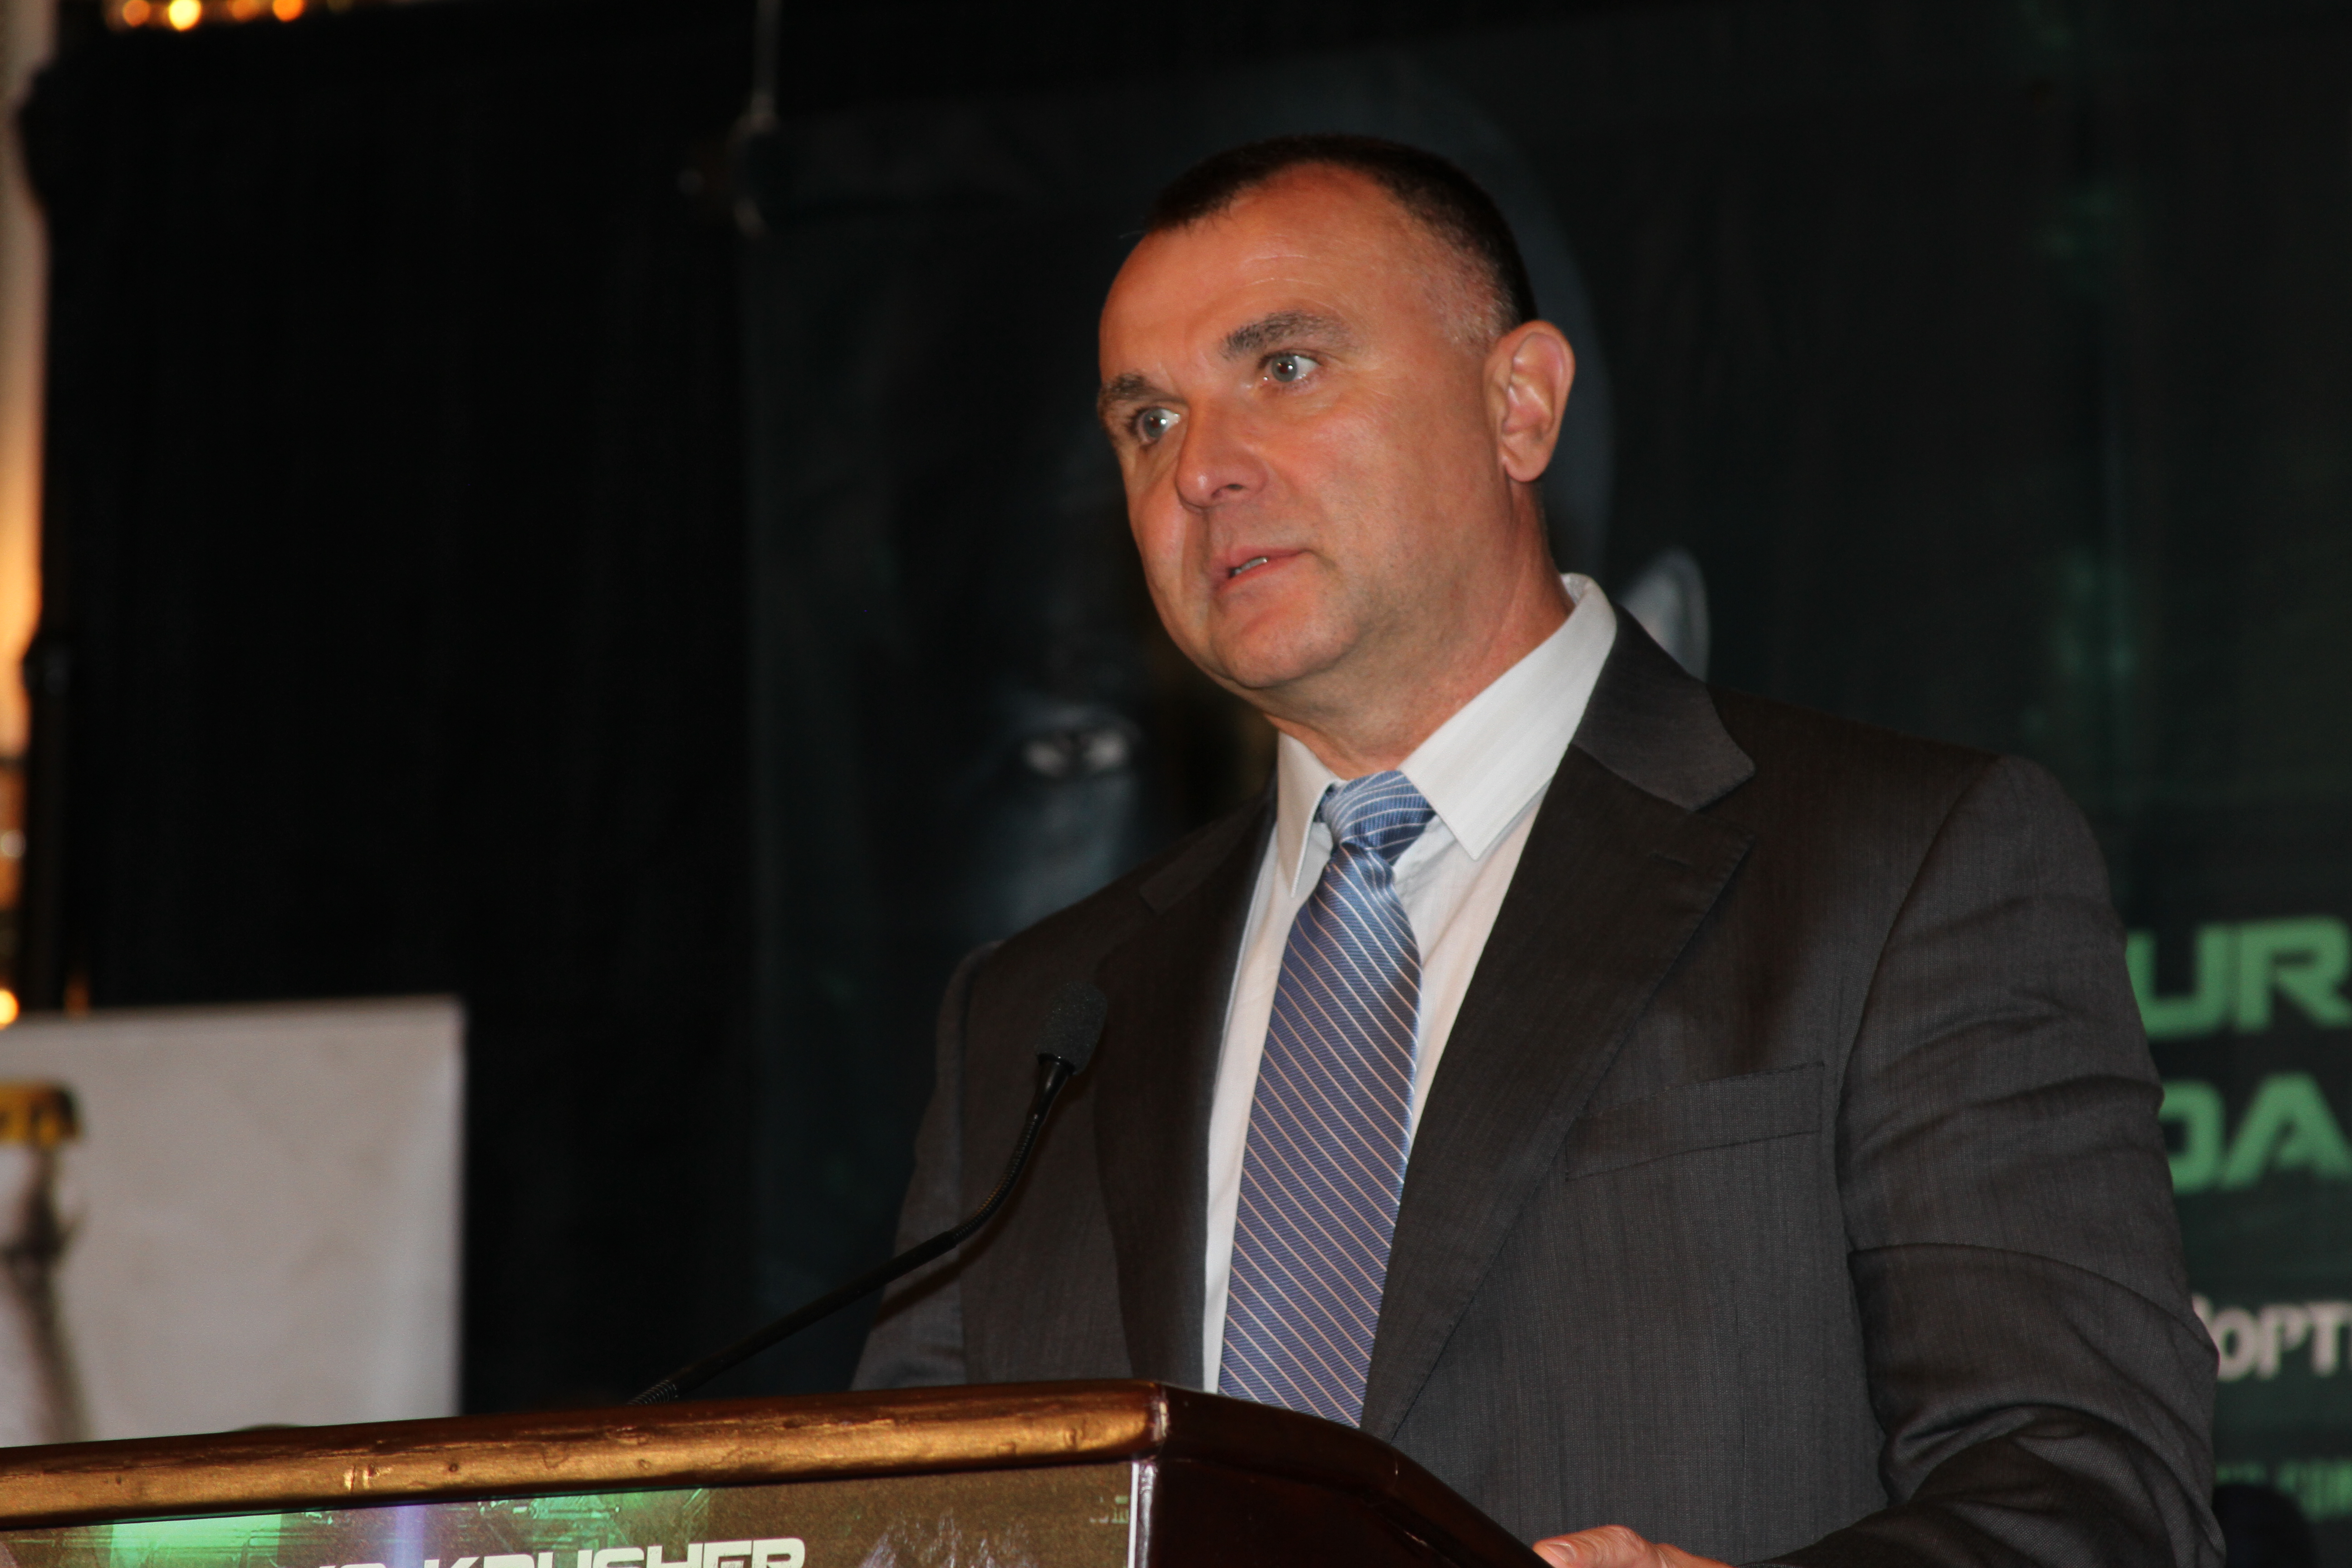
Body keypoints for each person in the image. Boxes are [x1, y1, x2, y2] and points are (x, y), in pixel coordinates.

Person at [854, 133, 2220, 1568]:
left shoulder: (1901, 867)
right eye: (1148, 421)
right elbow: (905, 1536)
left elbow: (2093, 1495)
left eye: (1287, 368)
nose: (1202, 470)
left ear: (1519, 406)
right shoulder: (1036, 1020)